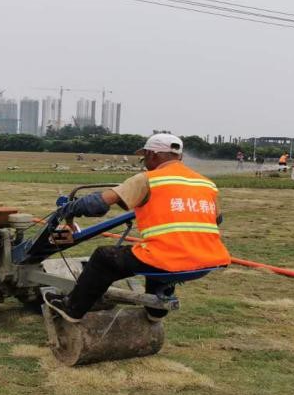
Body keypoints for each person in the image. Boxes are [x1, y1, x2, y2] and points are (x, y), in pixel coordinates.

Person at [43, 133, 230, 322]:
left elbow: (98, 204)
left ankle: (71, 309)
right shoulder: (205, 184)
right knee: (153, 250)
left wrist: (72, 207)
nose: (144, 161)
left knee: (104, 257)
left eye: (145, 157)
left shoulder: (148, 179)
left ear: (152, 154)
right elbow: (216, 220)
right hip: (206, 261)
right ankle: (155, 313)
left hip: (172, 259)